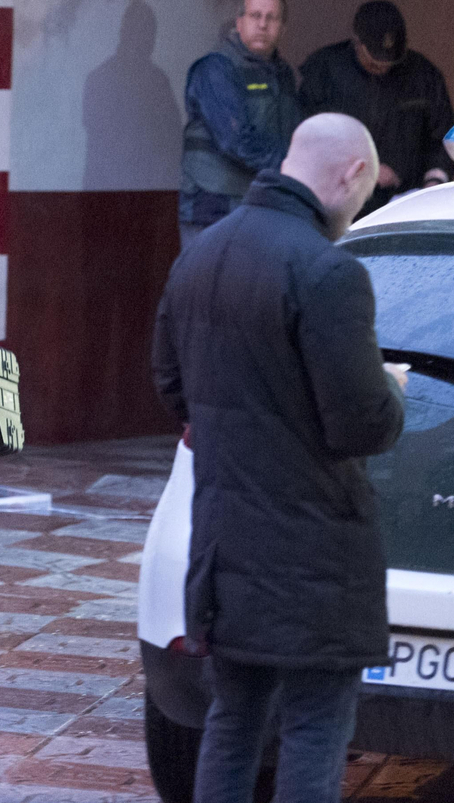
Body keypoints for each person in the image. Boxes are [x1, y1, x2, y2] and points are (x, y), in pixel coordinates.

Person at [152, 113, 408, 803]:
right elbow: (360, 424)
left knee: (232, 721)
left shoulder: (199, 256)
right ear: (353, 173)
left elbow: (172, 385)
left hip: (224, 542)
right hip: (315, 557)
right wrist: (391, 386)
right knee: (316, 728)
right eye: (365, 193)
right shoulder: (328, 273)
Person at [299, 0, 454, 217]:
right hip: (338, 205)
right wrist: (365, 169)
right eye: (374, 62)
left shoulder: (424, 75)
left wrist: (435, 180)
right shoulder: (324, 70)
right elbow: (307, 139)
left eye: (390, 63)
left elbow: (444, 137)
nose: (382, 68)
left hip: (405, 204)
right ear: (357, 43)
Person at [179, 0, 303, 246]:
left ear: (283, 29)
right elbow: (236, 141)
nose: (262, 24)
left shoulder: (284, 75)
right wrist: (295, 164)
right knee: (209, 287)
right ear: (239, 22)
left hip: (262, 209)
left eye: (271, 18)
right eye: (255, 16)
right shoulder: (215, 69)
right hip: (213, 211)